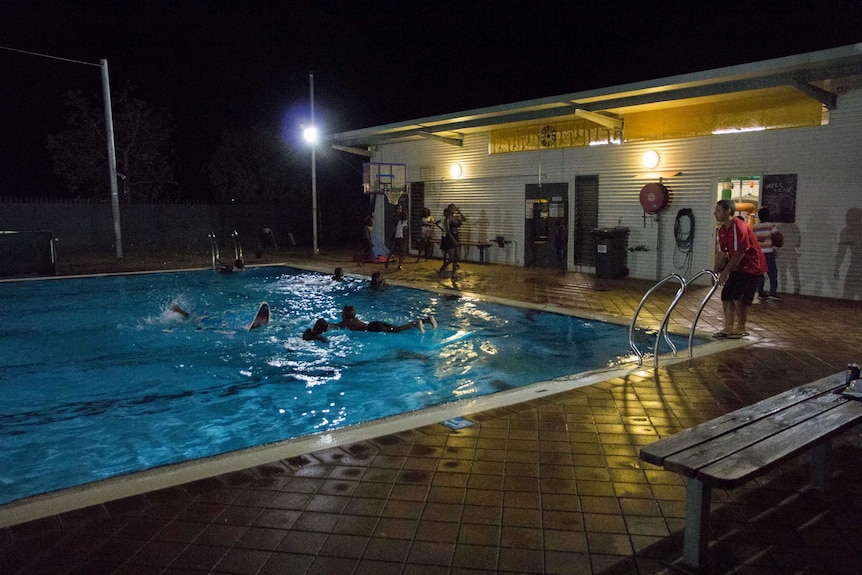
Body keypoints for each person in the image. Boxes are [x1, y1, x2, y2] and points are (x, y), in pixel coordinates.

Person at [713, 199, 767, 339]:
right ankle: (728, 327)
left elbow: (740, 252)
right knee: (726, 295)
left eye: (718, 210)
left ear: (728, 211)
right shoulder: (723, 230)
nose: (715, 213)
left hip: (751, 266)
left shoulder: (739, 226)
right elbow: (722, 252)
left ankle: (741, 327)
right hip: (738, 266)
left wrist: (725, 272)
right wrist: (715, 271)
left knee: (739, 297)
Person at [334, 305, 436, 334]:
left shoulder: (346, 322)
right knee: (396, 328)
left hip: (372, 328)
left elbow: (336, 326)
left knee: (397, 330)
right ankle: (427, 320)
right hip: (374, 324)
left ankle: (415, 324)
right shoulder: (355, 319)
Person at [753, 207, 781, 300]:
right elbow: (777, 236)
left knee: (760, 273)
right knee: (772, 273)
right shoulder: (771, 225)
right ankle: (773, 293)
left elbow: (752, 239)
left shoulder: (755, 227)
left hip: (758, 253)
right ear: (768, 215)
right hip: (768, 252)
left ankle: (760, 291)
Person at [438, 204, 465, 277]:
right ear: (450, 209)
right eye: (453, 208)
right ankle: (442, 268)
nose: (454, 210)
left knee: (456, 256)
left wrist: (460, 212)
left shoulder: (455, 217)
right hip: (450, 238)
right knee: (451, 257)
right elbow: (447, 231)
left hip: (456, 236)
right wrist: (453, 240)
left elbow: (464, 219)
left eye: (455, 208)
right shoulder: (447, 219)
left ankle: (453, 272)